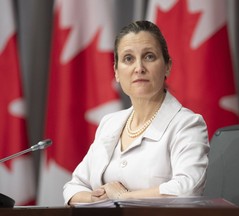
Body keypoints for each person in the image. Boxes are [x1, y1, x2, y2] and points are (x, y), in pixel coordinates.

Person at [63, 20, 210, 205]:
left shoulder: (187, 124)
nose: (139, 68)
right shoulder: (110, 123)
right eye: (128, 59)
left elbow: (188, 188)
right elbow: (72, 188)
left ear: (167, 66)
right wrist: (98, 197)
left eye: (149, 56)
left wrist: (122, 198)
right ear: (116, 71)